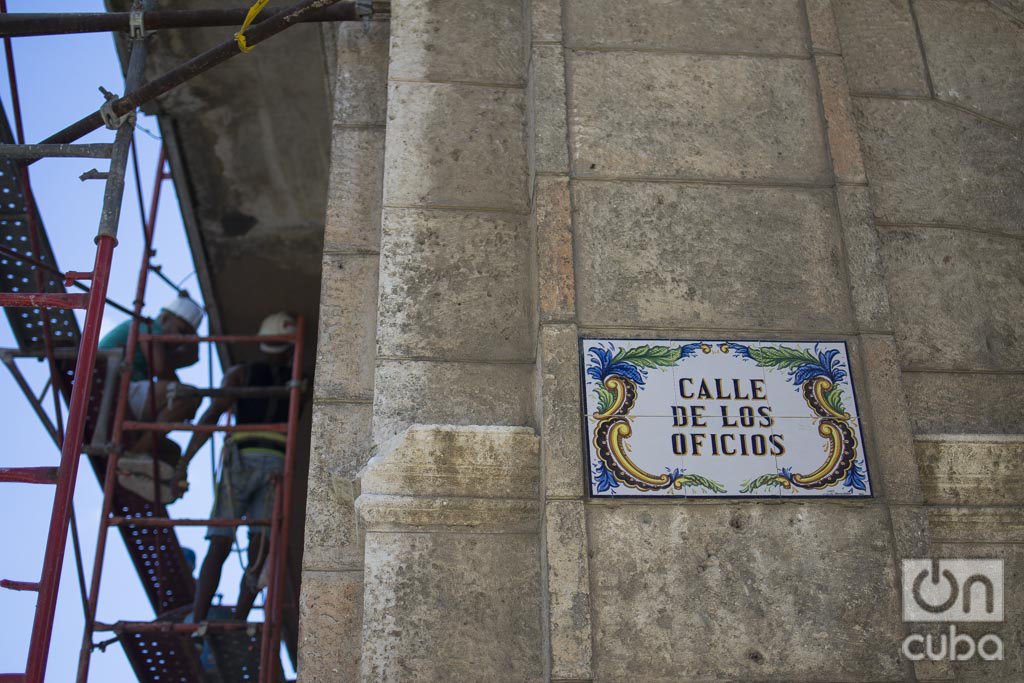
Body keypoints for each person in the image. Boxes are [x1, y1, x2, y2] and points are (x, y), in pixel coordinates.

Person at [178, 312, 296, 623]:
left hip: (242, 461)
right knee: (259, 548)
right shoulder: (299, 383)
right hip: (275, 465)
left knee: (220, 541)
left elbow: (212, 414)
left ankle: (198, 622)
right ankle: (238, 622)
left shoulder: (240, 374)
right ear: (291, 348)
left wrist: (185, 460)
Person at [98, 292, 204, 501]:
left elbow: (179, 367)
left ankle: (133, 471)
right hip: (114, 388)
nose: (180, 341)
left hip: (126, 393)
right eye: (181, 332)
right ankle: (132, 458)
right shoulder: (147, 327)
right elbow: (162, 370)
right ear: (164, 319)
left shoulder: (155, 337)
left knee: (172, 453)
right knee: (186, 396)